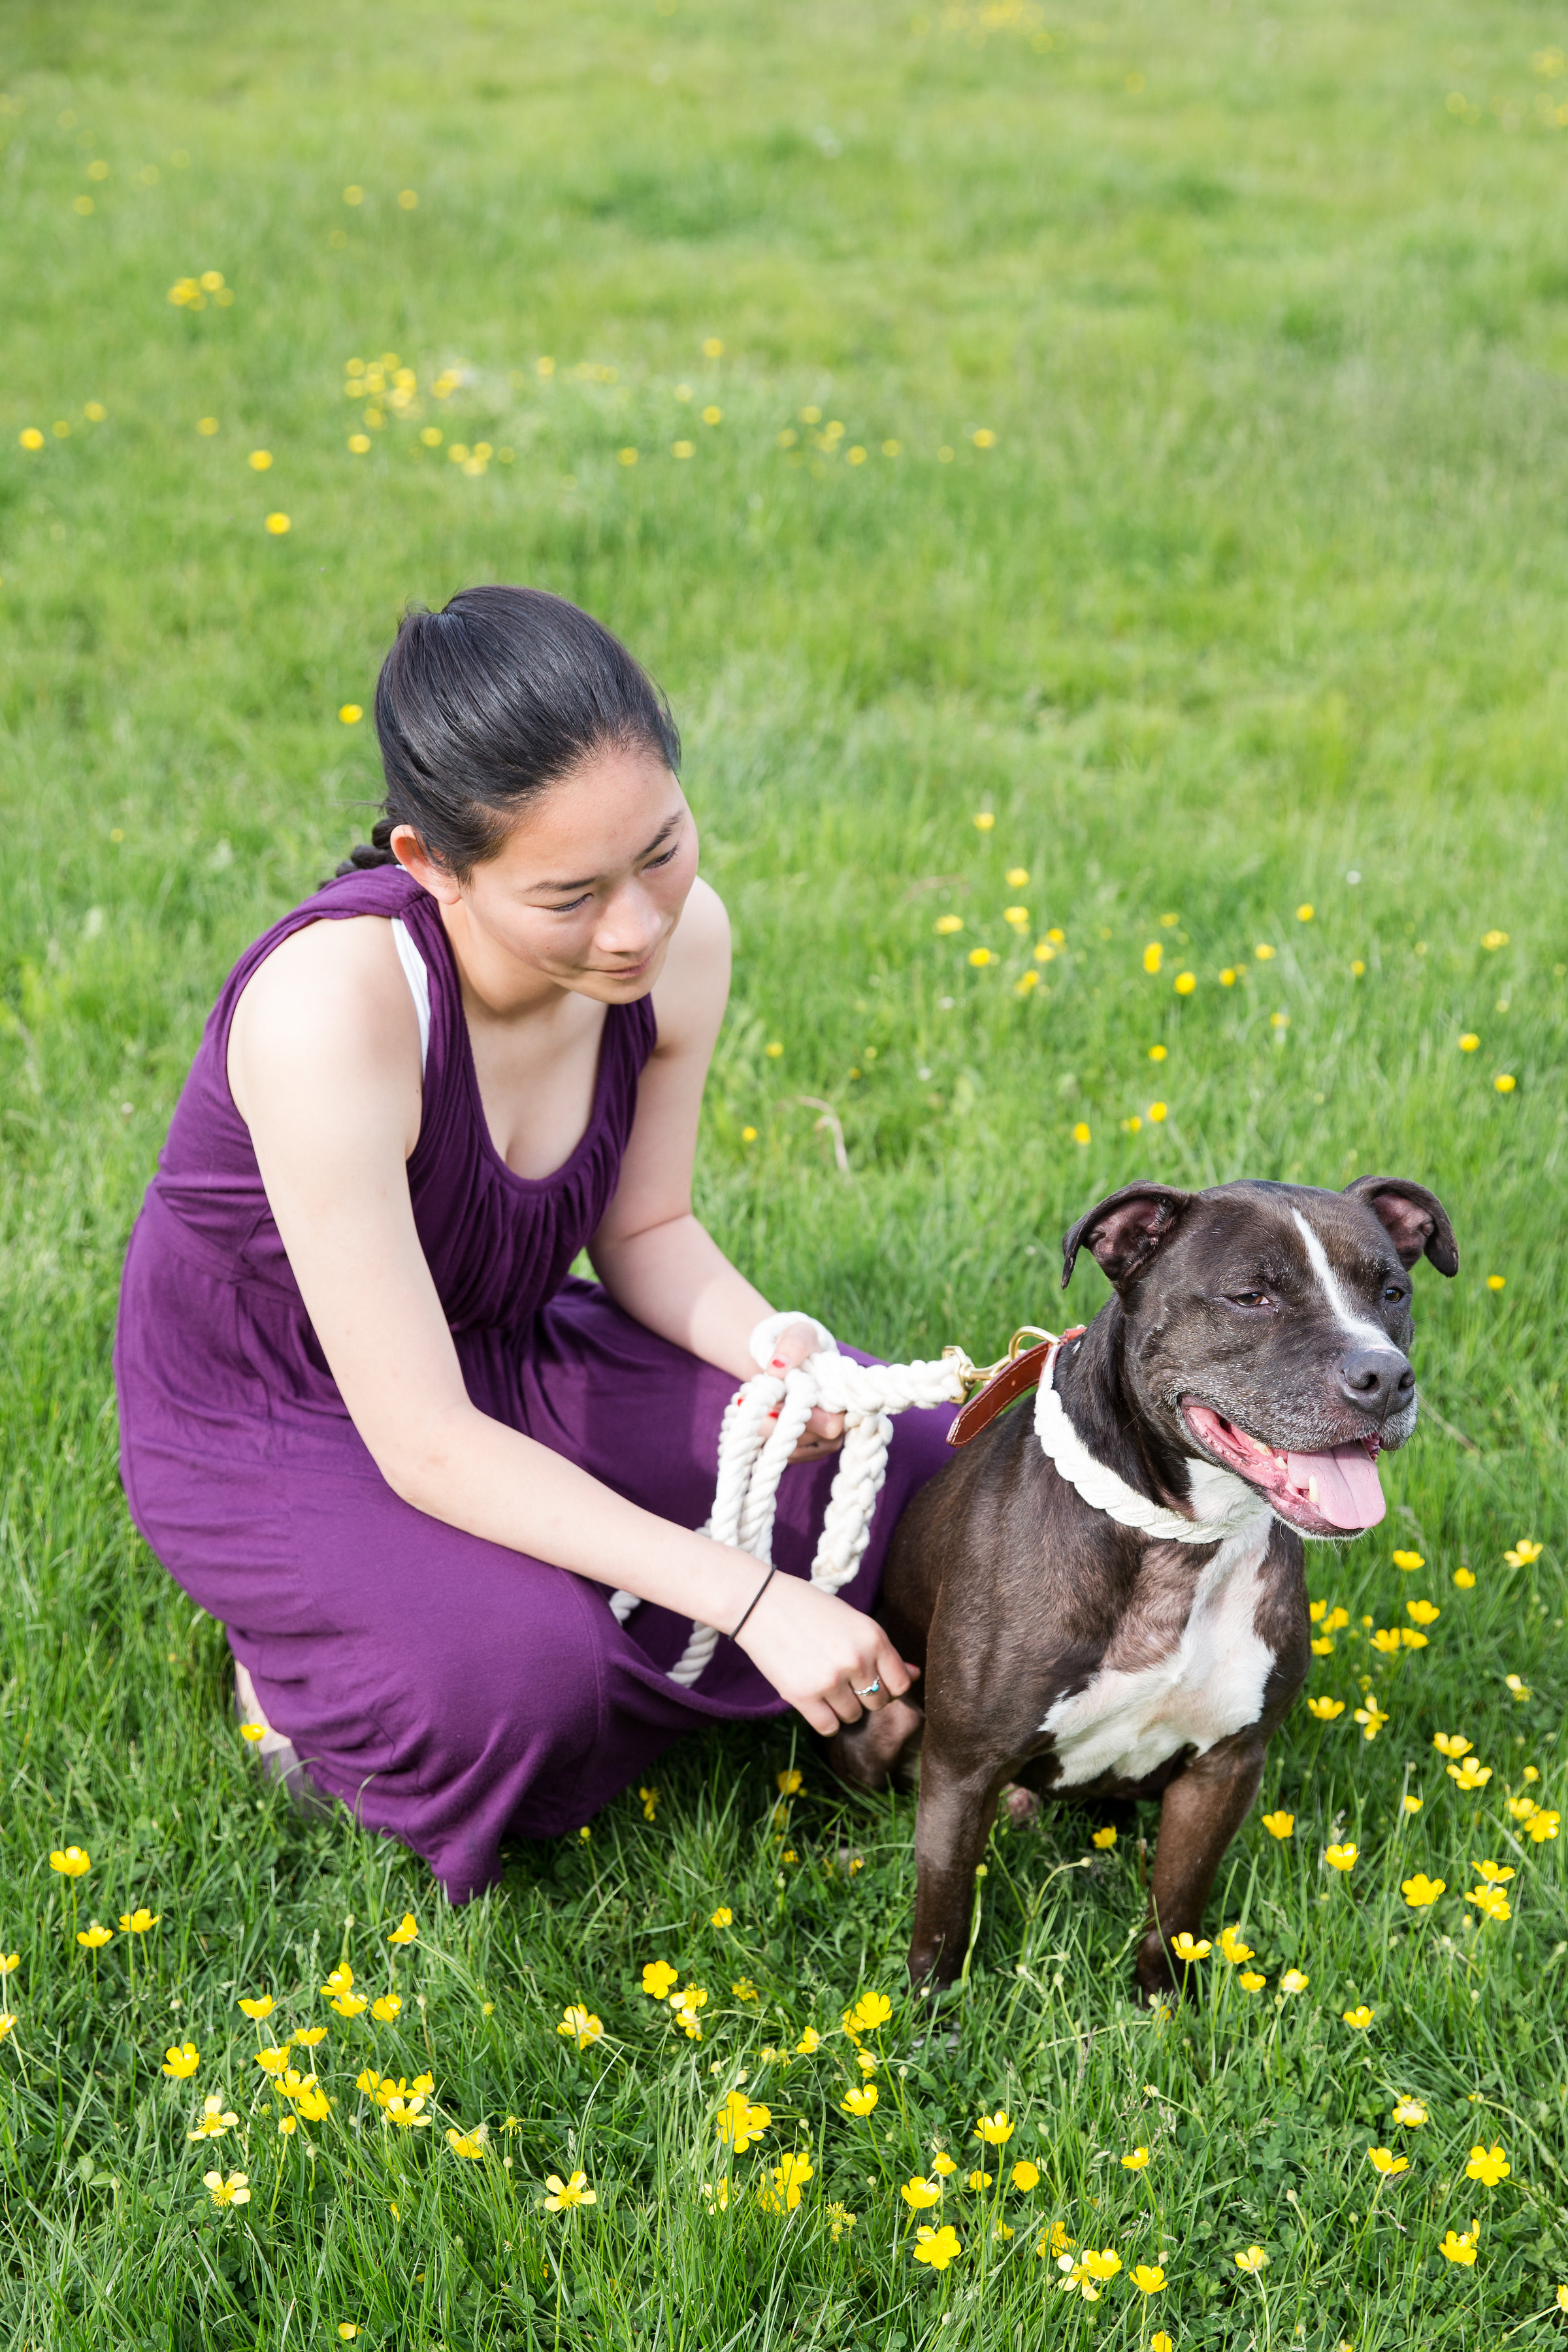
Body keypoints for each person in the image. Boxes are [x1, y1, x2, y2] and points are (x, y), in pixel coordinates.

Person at [114, 585, 951, 1901]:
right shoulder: (333, 1010)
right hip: (282, 1419)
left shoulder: (681, 944)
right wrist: (745, 1598)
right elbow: (423, 1440)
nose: (637, 925)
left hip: (500, 1349)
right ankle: (293, 1666)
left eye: (661, 851)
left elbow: (649, 1228)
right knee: (526, 1681)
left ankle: (561, 1591)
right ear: (431, 862)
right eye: (571, 894)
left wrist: (773, 1349)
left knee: (915, 1455)